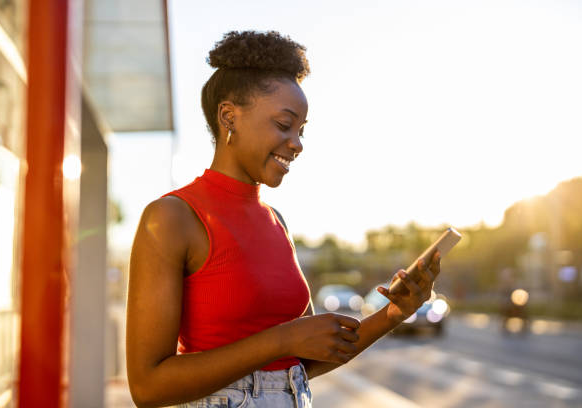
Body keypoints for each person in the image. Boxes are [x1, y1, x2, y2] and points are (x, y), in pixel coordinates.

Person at [126, 30, 441, 408]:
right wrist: (283, 338)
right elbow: (147, 387)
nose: (297, 143)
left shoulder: (277, 222)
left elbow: (303, 358)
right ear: (229, 117)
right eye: (284, 124)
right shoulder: (171, 217)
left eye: (301, 130)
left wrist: (394, 312)